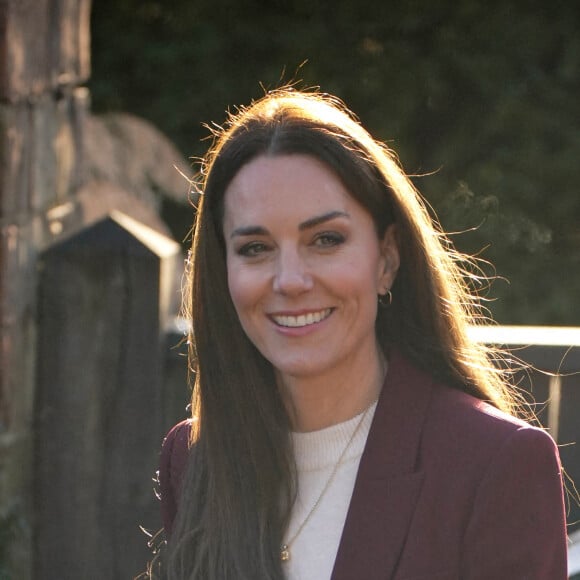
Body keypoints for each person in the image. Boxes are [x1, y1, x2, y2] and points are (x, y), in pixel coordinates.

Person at [158, 89, 567, 579]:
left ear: (387, 260)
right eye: (255, 248)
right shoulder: (194, 460)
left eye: (326, 240)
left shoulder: (494, 464)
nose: (290, 280)